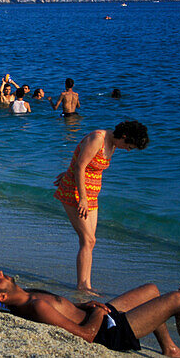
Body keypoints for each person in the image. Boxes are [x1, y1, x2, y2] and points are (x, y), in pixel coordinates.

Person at [0, 271, 180, 358]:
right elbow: (86, 335)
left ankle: (170, 349)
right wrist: (98, 314)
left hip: (99, 316)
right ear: (1, 297)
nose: (1, 273)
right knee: (179, 300)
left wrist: (87, 306)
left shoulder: (27, 294)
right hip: (109, 331)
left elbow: (64, 308)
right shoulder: (34, 306)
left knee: (152, 290)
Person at [54, 121, 149, 293]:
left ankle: (86, 283)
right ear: (125, 137)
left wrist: (69, 175)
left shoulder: (112, 144)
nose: (127, 150)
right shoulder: (98, 138)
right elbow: (80, 165)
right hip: (75, 193)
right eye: (129, 146)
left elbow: (83, 163)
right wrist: (82, 197)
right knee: (88, 240)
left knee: (91, 242)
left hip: (91, 195)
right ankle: (82, 286)